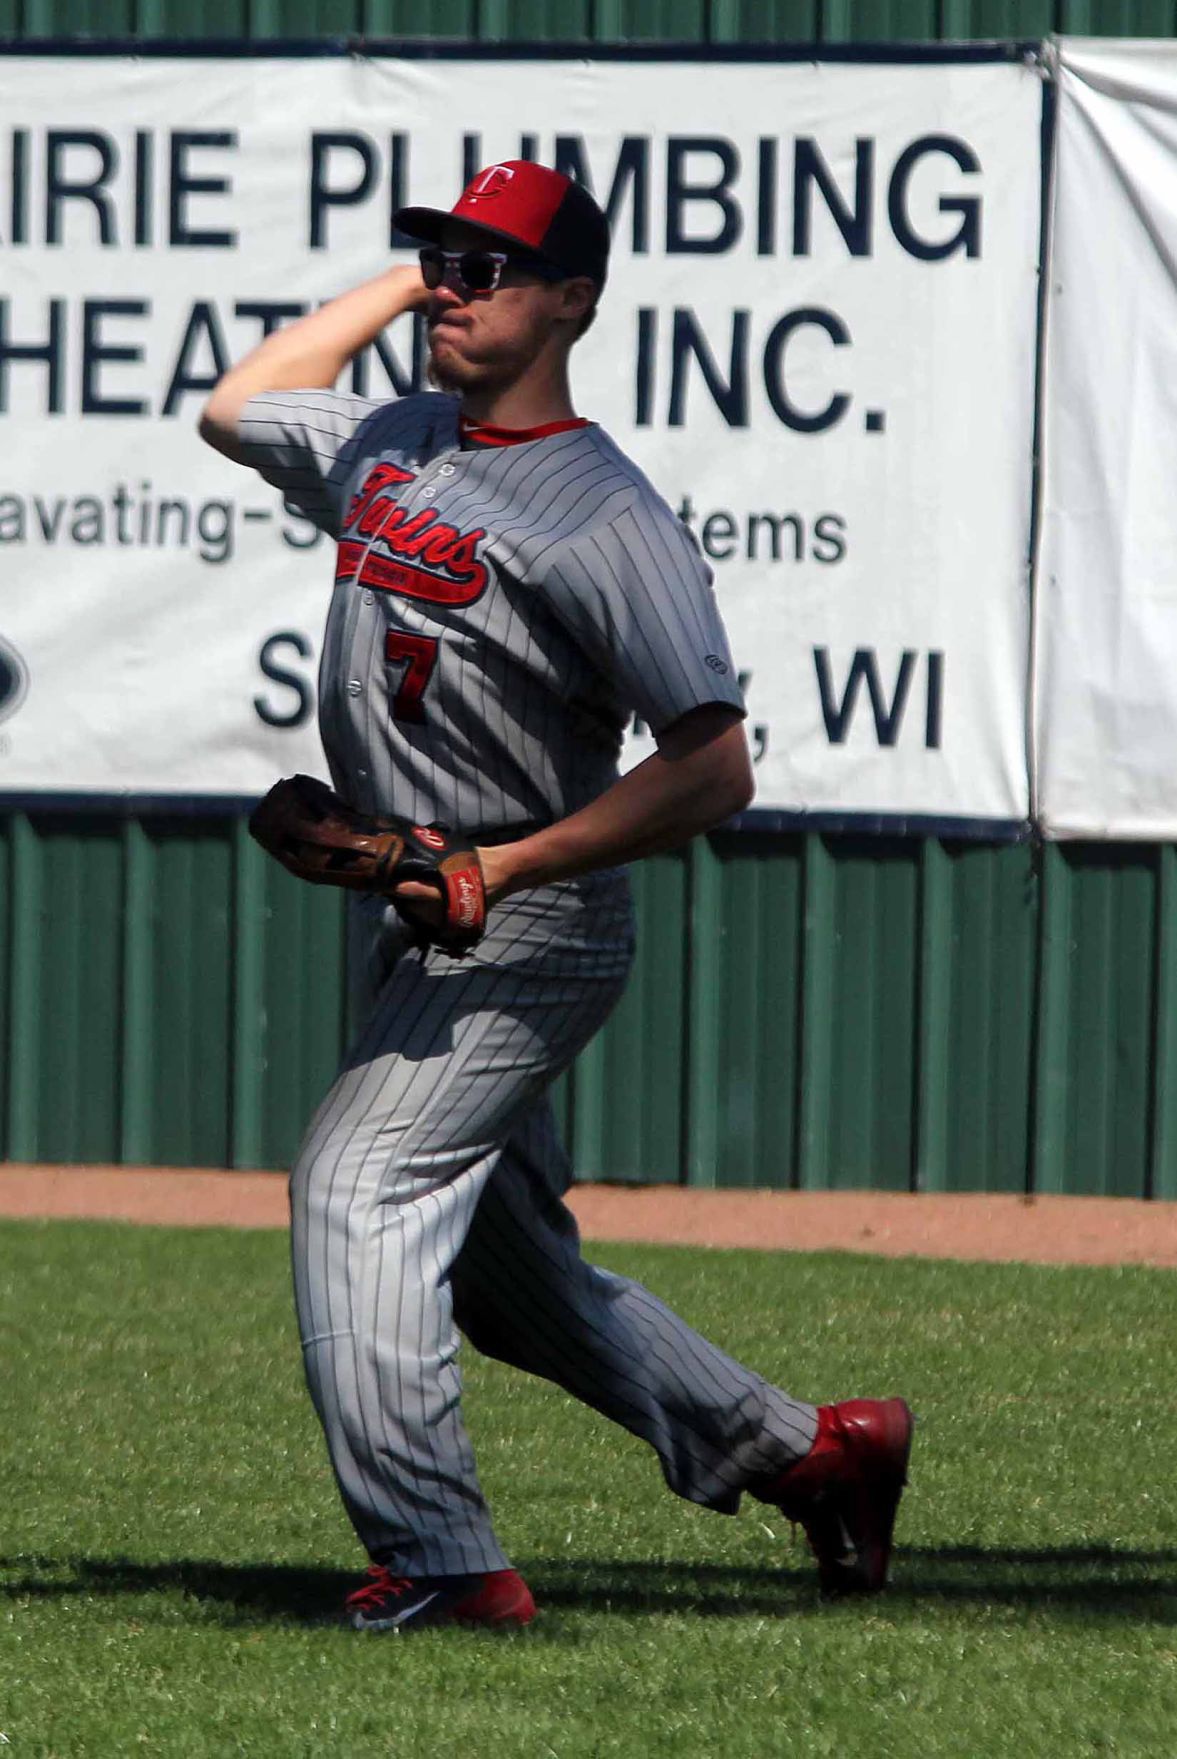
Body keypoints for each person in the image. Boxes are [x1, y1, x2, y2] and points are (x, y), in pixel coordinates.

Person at [199, 160, 913, 1632]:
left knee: (359, 1184)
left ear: (576, 298)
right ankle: (812, 1456)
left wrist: (503, 864)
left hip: (524, 915)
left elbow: (712, 771)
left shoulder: (605, 516)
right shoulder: (392, 434)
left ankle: (445, 1568)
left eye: (491, 270)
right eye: (440, 263)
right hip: (414, 905)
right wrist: (423, 279)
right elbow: (236, 403)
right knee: (503, 1278)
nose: (453, 289)